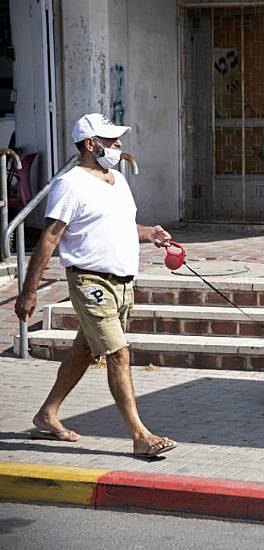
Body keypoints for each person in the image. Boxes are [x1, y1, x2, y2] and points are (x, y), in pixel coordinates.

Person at [14, 113, 178, 458]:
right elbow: (49, 239)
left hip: (123, 283)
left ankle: (47, 413)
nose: (118, 146)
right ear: (91, 144)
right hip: (90, 281)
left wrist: (150, 234)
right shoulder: (70, 184)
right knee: (119, 353)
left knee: (84, 350)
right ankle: (140, 435)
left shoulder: (117, 179)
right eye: (111, 140)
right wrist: (29, 292)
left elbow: (120, 226)